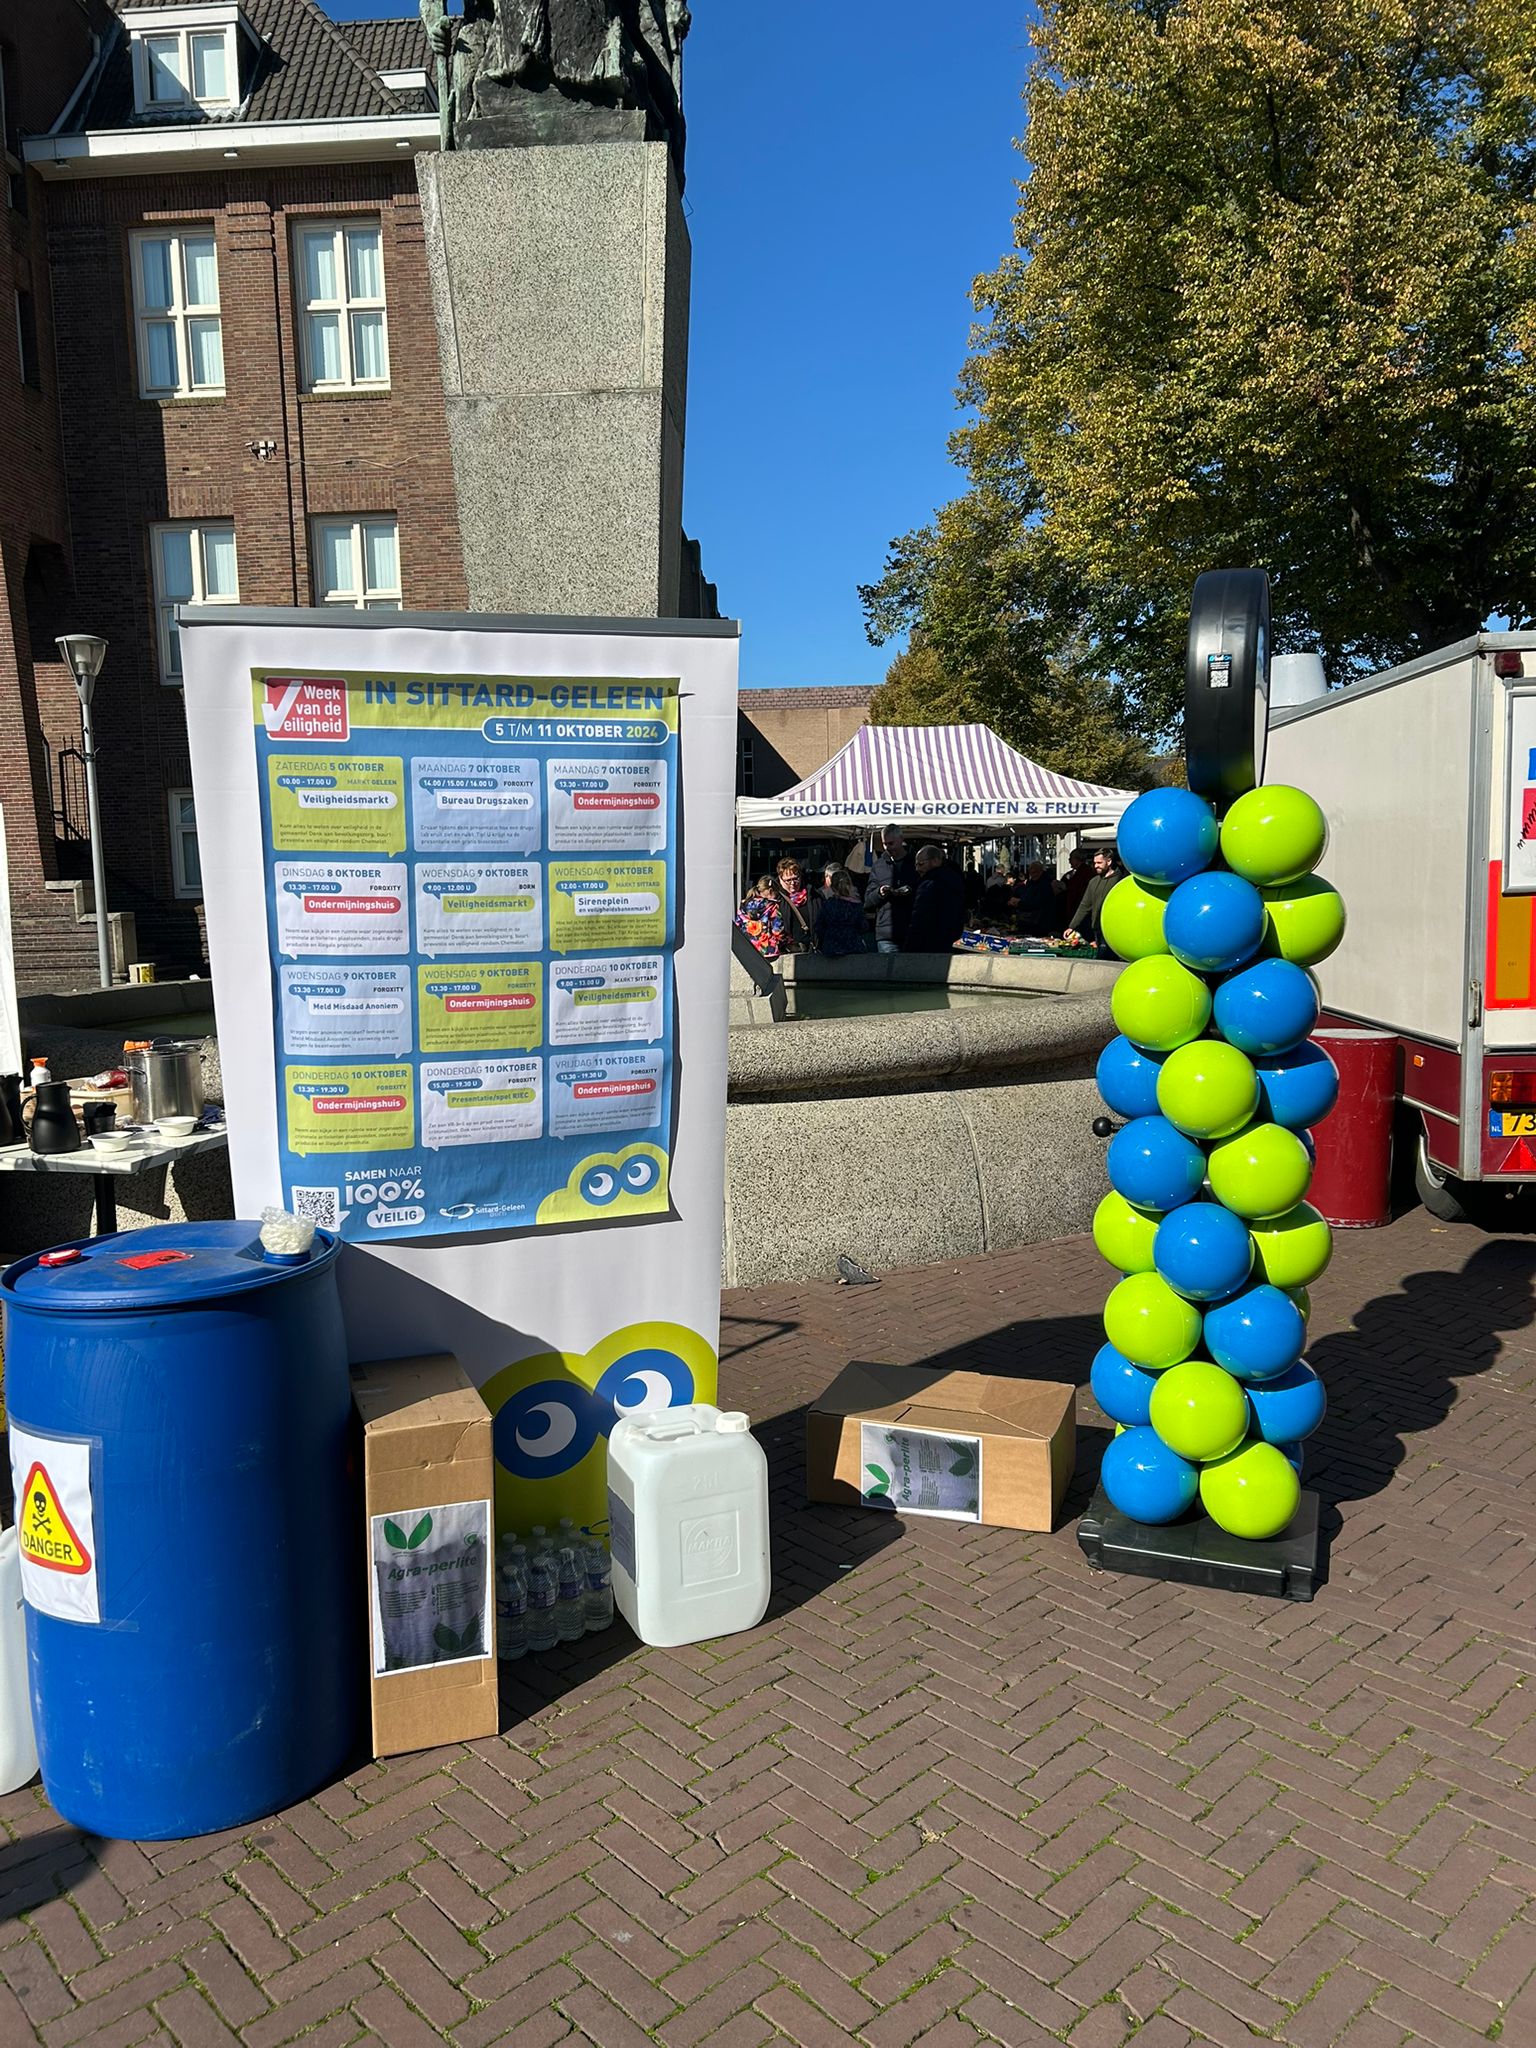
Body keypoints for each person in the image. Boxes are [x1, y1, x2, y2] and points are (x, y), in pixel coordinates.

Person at [904, 844, 968, 953]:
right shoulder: (955, 880)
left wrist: (908, 948)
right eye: (916, 865)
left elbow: (919, 919)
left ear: (935, 861)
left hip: (929, 945)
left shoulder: (929, 885)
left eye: (921, 864)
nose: (917, 869)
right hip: (952, 942)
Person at [865, 825, 917, 954]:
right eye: (885, 844)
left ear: (901, 839)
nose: (888, 847)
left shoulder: (915, 863)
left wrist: (911, 892)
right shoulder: (878, 866)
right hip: (886, 933)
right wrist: (880, 892)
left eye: (891, 843)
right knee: (889, 973)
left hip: (911, 929)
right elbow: (867, 901)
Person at [1063, 845, 1122, 950]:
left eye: (1099, 863)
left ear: (1109, 862)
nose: (1095, 866)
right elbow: (1084, 905)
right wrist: (1072, 926)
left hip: (1114, 929)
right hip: (1097, 929)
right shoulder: (1093, 881)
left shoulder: (1120, 880)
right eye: (1095, 863)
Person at [815, 868, 870, 957]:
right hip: (853, 947)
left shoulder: (828, 905)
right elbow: (863, 926)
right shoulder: (856, 905)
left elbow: (819, 927)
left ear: (832, 887)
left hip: (832, 949)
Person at [767, 854, 816, 955]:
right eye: (788, 880)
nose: (792, 883)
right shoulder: (774, 899)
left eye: (795, 878)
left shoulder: (813, 894)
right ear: (780, 879)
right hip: (785, 953)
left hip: (812, 951)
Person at [734, 875, 785, 960]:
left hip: (747, 950)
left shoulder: (744, 904)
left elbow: (737, 925)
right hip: (768, 951)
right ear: (771, 891)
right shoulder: (772, 906)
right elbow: (778, 930)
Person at [1058, 846, 1095, 928]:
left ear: (1077, 859)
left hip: (1078, 907)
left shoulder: (1085, 872)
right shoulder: (1074, 873)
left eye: (1071, 859)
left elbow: (1077, 890)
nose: (1069, 861)